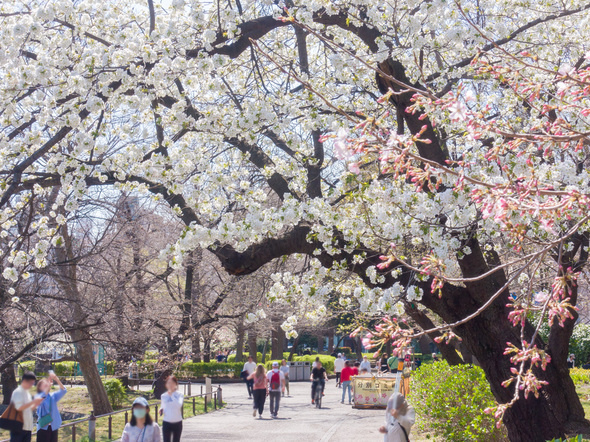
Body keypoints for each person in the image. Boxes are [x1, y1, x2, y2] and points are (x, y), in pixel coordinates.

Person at [10, 372, 43, 442]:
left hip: (27, 428)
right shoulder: (17, 392)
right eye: (31, 383)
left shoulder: (27, 393)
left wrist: (36, 404)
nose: (32, 385)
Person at [36, 372, 67, 442]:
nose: (47, 386)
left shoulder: (52, 396)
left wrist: (56, 379)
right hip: (43, 428)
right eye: (44, 385)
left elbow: (64, 390)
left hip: (53, 426)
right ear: (39, 388)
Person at [159, 375, 183, 442]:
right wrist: (161, 410)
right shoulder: (163, 396)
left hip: (177, 422)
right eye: (168, 383)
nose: (170, 385)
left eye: (172, 383)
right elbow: (163, 406)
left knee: (176, 440)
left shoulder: (179, 395)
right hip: (166, 421)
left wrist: (172, 396)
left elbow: (179, 405)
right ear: (166, 384)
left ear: (176, 384)